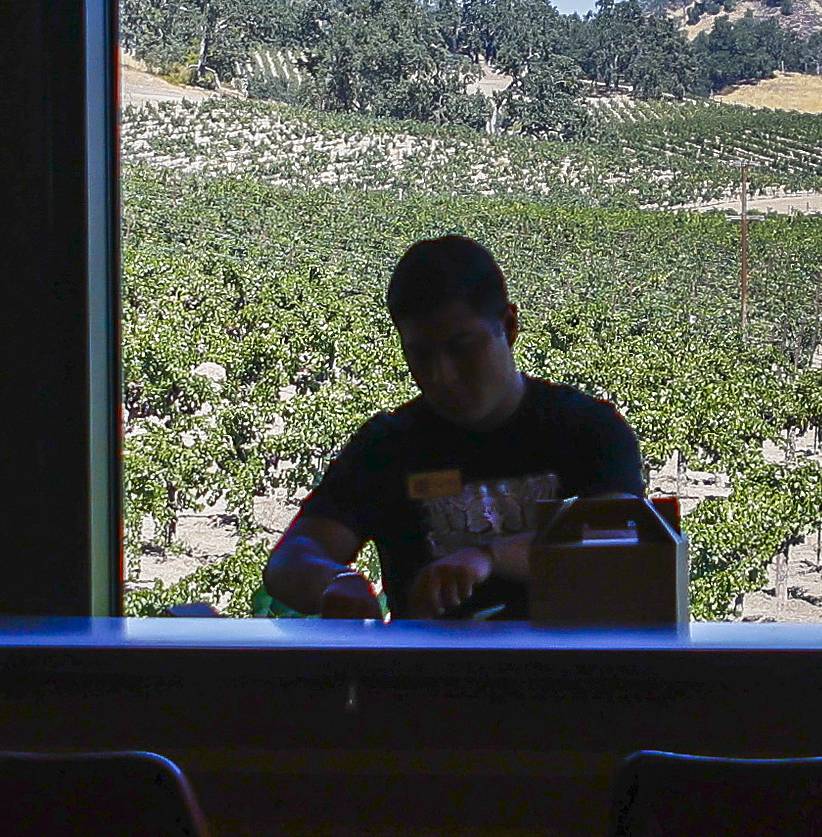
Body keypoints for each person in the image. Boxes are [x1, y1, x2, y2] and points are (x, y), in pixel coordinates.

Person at [260, 235, 653, 622]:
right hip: (428, 681)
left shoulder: (588, 430)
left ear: (509, 326)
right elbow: (294, 556)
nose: (441, 375)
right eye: (420, 355)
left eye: (461, 347)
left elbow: (618, 543)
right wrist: (334, 580)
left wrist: (490, 556)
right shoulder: (388, 447)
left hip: (573, 676)